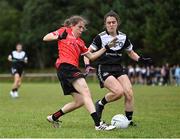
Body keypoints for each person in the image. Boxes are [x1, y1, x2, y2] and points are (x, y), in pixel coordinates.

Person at [43, 15, 117, 130]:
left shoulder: (81, 42)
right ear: (72, 26)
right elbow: (46, 37)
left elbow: (91, 56)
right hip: (65, 67)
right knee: (86, 91)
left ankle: (53, 117)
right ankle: (98, 124)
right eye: (80, 27)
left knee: (80, 100)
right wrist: (57, 36)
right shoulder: (64, 31)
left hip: (67, 70)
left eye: (83, 28)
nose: (82, 30)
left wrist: (105, 48)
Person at [84, 10, 152, 126]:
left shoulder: (123, 37)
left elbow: (131, 52)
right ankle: (100, 103)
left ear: (117, 23)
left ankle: (129, 121)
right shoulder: (100, 37)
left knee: (129, 93)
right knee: (118, 92)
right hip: (104, 68)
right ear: (105, 24)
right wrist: (87, 65)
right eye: (108, 22)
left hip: (118, 68)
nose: (111, 24)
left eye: (113, 22)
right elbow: (87, 52)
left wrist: (140, 59)